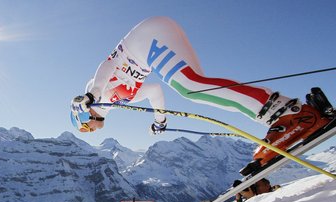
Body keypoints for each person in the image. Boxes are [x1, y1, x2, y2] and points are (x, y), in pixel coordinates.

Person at [70, 16, 334, 167]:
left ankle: (291, 113)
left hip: (147, 40)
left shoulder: (100, 95)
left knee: (190, 87)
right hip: (152, 41)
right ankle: (283, 114)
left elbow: (102, 73)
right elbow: (154, 92)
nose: (88, 131)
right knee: (195, 86)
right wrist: (160, 121)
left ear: (83, 115)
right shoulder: (117, 101)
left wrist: (90, 96)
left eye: (84, 128)